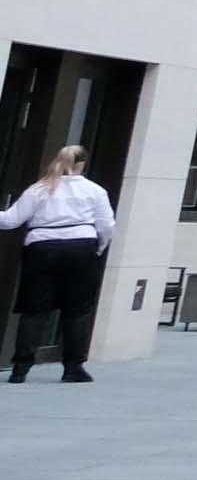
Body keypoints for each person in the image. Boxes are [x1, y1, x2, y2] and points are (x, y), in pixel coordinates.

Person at [3, 145, 119, 383]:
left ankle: (20, 369)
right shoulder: (94, 190)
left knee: (34, 310)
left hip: (42, 247)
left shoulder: (39, 189)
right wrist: (98, 247)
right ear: (82, 164)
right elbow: (107, 225)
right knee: (77, 310)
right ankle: (73, 367)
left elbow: (11, 220)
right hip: (81, 247)